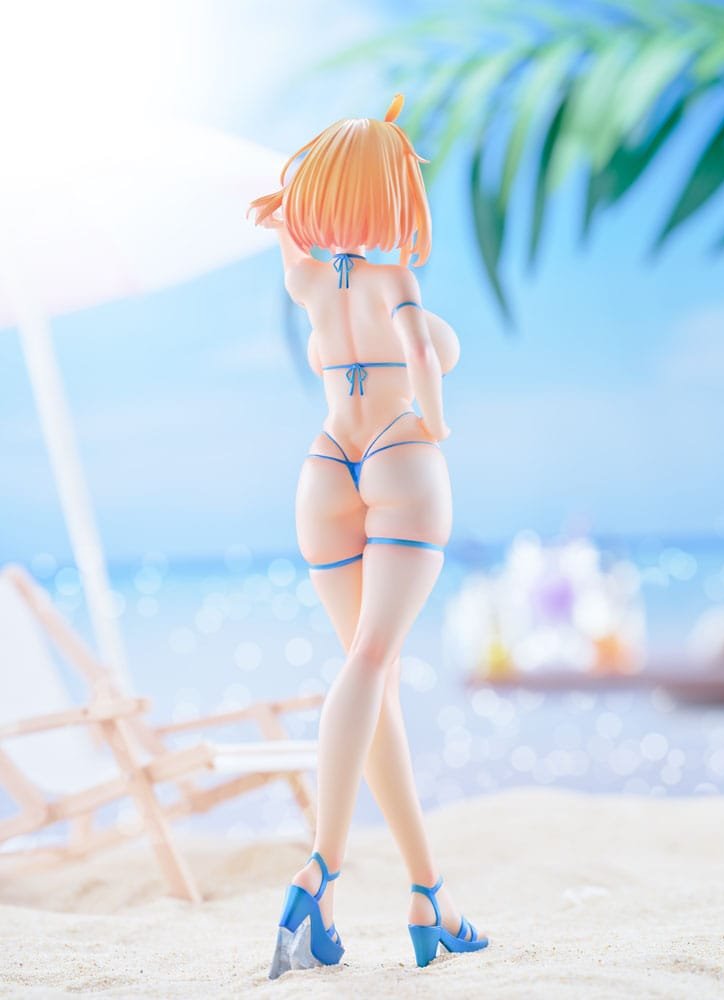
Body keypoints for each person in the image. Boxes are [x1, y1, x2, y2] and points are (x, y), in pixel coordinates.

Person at [249, 93, 488, 976]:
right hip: (397, 451)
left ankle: (431, 895)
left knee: (368, 673)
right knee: (369, 664)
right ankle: (322, 868)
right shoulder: (395, 282)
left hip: (325, 464)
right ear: (389, 192)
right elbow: (423, 356)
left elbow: (290, 244)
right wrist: (438, 422)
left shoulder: (312, 282)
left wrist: (285, 213)